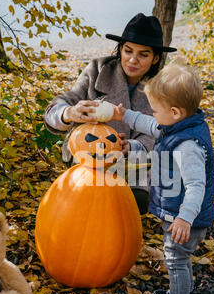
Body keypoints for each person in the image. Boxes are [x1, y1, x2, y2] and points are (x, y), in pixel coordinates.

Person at [111, 62, 214, 294]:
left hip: (186, 217)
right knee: (177, 258)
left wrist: (184, 218)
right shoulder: (175, 126)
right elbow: (147, 124)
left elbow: (195, 185)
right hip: (180, 214)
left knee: (175, 257)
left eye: (156, 110)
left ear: (175, 112)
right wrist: (125, 114)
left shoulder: (188, 144)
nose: (153, 115)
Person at [44, 13, 177, 214]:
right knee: (89, 200)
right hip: (89, 157)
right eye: (128, 50)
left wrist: (130, 146)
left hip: (134, 163)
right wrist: (69, 112)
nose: (133, 60)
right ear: (120, 49)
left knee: (133, 203)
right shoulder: (97, 70)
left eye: (143, 54)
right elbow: (60, 105)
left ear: (155, 58)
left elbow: (162, 133)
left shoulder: (163, 89)